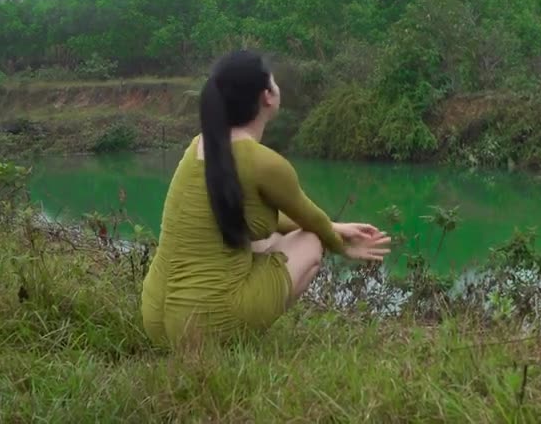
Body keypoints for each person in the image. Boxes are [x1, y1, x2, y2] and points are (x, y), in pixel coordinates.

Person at [141, 50, 390, 347]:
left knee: (261, 239)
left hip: (155, 319)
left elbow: (255, 216)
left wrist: (335, 228)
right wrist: (340, 245)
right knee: (311, 241)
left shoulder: (200, 145)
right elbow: (310, 220)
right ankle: (238, 339)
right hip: (206, 328)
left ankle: (226, 329)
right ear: (267, 96)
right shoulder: (265, 163)